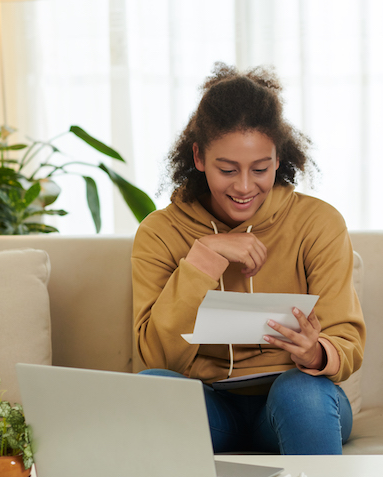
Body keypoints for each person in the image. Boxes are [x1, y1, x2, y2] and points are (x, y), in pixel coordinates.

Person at [131, 62, 365, 455]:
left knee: (300, 393)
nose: (243, 187)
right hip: (210, 407)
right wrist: (204, 256)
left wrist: (316, 351)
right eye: (227, 169)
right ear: (199, 158)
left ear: (278, 159)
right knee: (152, 386)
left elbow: (347, 340)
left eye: (260, 169)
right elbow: (157, 357)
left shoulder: (317, 223)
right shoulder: (160, 233)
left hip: (297, 400)